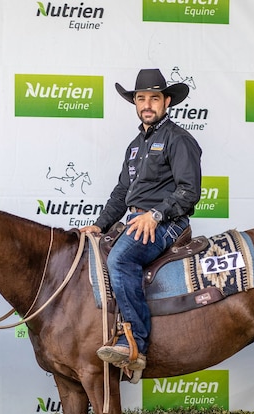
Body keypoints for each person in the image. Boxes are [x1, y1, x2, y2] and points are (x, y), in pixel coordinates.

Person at [81, 68, 202, 372]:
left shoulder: (179, 139)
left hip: (167, 223)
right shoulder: (135, 146)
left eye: (154, 98)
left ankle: (135, 343)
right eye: (141, 98)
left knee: (120, 260)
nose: (147, 104)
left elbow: (190, 191)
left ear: (167, 101)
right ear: (135, 102)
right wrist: (101, 224)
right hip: (136, 222)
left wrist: (155, 214)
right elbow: (122, 192)